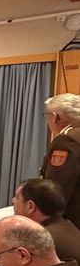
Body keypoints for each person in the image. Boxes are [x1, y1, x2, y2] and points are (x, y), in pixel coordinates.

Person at [42, 92, 80, 228]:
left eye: (47, 116)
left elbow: (57, 190)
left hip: (72, 223)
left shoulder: (67, 140)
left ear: (56, 117)